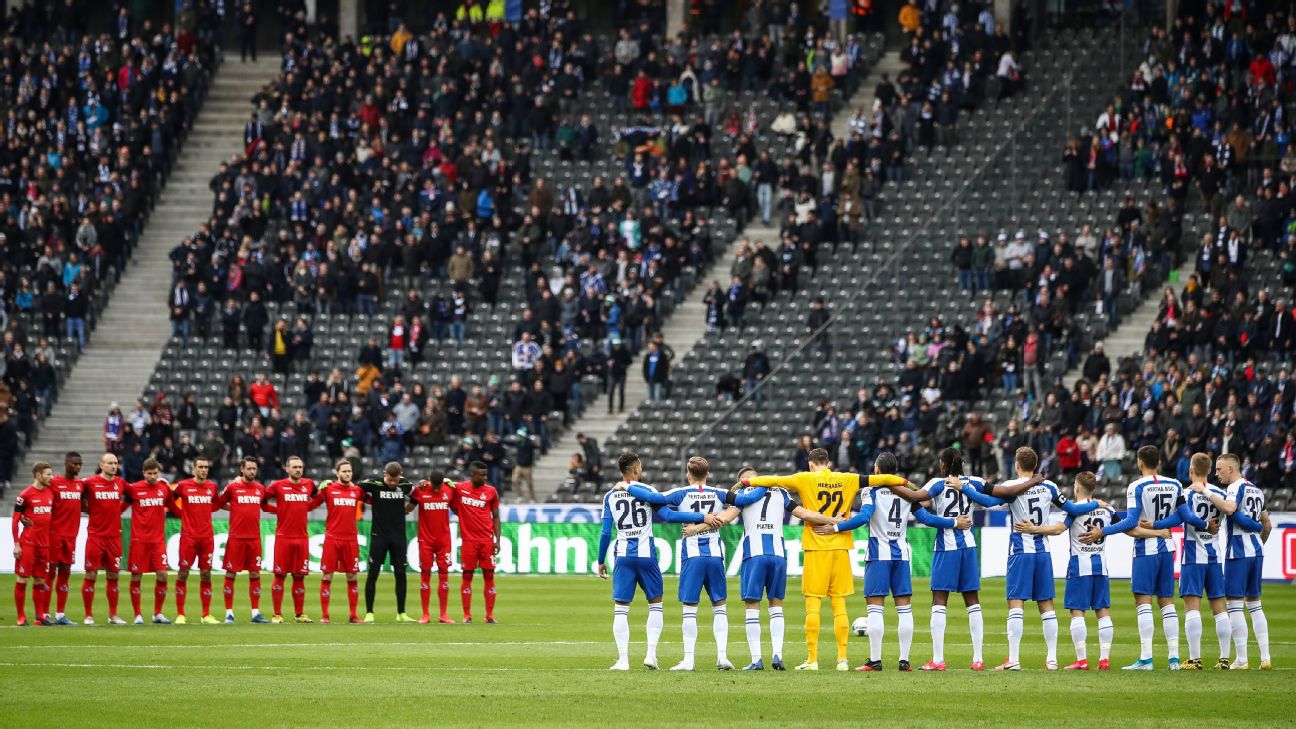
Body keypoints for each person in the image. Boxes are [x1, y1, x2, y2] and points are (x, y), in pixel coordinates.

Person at [739, 448, 910, 670]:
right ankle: (842, 659)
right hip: (840, 546)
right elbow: (884, 478)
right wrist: (906, 483)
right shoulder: (847, 478)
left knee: (813, 604)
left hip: (815, 545)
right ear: (828, 463)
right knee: (839, 604)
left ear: (811, 464)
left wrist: (746, 483)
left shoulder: (804, 478)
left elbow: (773, 480)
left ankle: (812, 659)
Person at [954, 447, 1100, 670]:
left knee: (1016, 603)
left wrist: (963, 487)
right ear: (1036, 464)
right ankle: (1052, 659)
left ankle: (1014, 659)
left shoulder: (1012, 486)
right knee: (1046, 604)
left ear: (1017, 464)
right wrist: (1096, 504)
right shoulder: (1049, 486)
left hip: (1020, 550)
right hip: (1043, 550)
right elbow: (1071, 508)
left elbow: (989, 501)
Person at [820, 452, 964, 672]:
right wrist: (954, 522)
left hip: (878, 555)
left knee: (875, 608)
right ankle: (904, 660)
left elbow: (864, 517)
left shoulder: (872, 490)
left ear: (877, 470)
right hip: (902, 555)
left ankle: (875, 660)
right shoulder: (908, 494)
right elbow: (927, 519)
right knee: (904, 608)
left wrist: (837, 527)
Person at [700, 467, 839, 670]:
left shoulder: (742, 494)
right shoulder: (780, 491)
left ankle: (757, 660)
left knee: (752, 606)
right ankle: (777, 656)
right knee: (776, 605)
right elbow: (803, 513)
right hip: (778, 556)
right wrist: (832, 519)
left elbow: (725, 519)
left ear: (743, 482)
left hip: (754, 555)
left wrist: (697, 527)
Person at [879, 448, 988, 671]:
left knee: (939, 601)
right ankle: (978, 659)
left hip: (946, 546)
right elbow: (993, 498)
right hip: (969, 545)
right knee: (972, 601)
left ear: (943, 465)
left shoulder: (938, 483)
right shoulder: (974, 481)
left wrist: (887, 481)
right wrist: (967, 489)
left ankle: (938, 660)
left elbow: (915, 497)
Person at [622, 457, 734, 670]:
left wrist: (627, 487)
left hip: (692, 554)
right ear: (707, 474)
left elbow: (652, 497)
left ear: (688, 475)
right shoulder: (720, 493)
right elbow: (741, 503)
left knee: (690, 608)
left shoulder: (681, 492)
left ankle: (689, 660)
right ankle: (722, 656)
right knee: (720, 606)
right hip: (715, 554)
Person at [603, 452, 713, 670]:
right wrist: (701, 517)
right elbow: (670, 516)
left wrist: (600, 560)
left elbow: (605, 532)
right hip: (647, 557)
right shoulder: (648, 492)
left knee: (621, 608)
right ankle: (651, 655)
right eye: (640, 467)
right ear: (636, 470)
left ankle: (623, 660)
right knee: (655, 605)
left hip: (623, 556)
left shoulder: (610, 496)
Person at [1083, 446, 1182, 670]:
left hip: (1146, 549)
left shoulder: (1137, 486)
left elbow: (1130, 522)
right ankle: (1174, 658)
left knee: (1143, 601)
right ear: (1159, 462)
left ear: (1139, 462)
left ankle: (1146, 658)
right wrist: (1160, 526)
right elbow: (1180, 516)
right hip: (1167, 547)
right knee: (1167, 601)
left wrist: (1102, 531)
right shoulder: (1175, 484)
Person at [1015, 471, 1122, 670]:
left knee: (1077, 612)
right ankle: (1104, 659)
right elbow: (1126, 526)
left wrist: (1034, 529)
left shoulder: (1075, 510)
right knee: (1103, 611)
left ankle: (1082, 660)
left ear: (1077, 487)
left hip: (1079, 565)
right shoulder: (1108, 509)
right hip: (1102, 567)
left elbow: (1058, 529)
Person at [1188, 453, 1271, 670]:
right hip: (1257, 551)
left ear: (1231, 469)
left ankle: (1241, 659)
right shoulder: (1257, 490)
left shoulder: (1235, 488)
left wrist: (1204, 490)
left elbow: (1229, 509)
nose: (1217, 474)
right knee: (1255, 605)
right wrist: (1259, 540)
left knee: (1234, 606)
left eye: (1220, 469)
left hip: (1238, 552)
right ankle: (1265, 657)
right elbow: (1267, 524)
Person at [1157, 453, 1230, 670]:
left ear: (1190, 470)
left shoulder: (1186, 494)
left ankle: (1195, 659)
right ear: (1209, 471)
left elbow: (1178, 518)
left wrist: (1155, 524)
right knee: (1219, 607)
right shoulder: (1219, 494)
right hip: (1215, 557)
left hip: (1192, 557)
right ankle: (1224, 658)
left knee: (1192, 607)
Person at [311, 461, 368, 623]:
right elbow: (313, 503)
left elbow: (372, 499)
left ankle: (353, 615)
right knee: (327, 575)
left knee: (352, 576)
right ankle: (325, 615)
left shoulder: (357, 491)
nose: (348, 473)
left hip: (350, 540)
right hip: (332, 539)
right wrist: (317, 490)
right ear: (337, 473)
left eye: (349, 471)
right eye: (344, 471)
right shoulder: (329, 489)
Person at [360, 462, 415, 623]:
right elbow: (357, 491)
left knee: (400, 574)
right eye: (390, 480)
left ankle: (401, 613)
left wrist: (407, 509)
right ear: (385, 474)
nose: (392, 483)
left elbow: (417, 496)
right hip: (379, 536)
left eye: (395, 480)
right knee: (373, 573)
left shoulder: (405, 485)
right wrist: (370, 501)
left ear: (400, 475)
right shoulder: (374, 484)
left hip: (398, 536)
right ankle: (369, 612)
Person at [263, 456, 316, 623]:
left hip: (302, 538)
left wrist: (308, 507)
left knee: (299, 576)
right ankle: (277, 614)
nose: (298, 470)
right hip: (283, 538)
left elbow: (318, 497)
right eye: (294, 467)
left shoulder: (309, 484)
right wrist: (276, 510)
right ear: (287, 469)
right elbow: (261, 500)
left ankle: (299, 614)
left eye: (300, 467)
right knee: (280, 575)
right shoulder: (277, 486)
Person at [169, 455, 221, 624]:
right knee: (183, 573)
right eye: (201, 467)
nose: (204, 470)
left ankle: (206, 614)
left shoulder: (212, 487)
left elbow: (216, 504)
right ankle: (181, 614)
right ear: (193, 469)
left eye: (206, 467)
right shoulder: (183, 486)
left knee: (206, 574)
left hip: (207, 538)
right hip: (189, 538)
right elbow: (170, 500)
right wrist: (181, 515)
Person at [217, 456, 269, 624]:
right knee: (231, 573)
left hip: (254, 538)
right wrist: (233, 507)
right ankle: (229, 614)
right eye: (249, 469)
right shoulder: (233, 487)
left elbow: (266, 506)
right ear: (242, 469)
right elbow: (218, 502)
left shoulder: (260, 489)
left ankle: (255, 613)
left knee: (255, 573)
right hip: (236, 538)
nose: (252, 471)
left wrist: (282, 511)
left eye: (254, 469)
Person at [123, 458, 172, 624]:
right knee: (136, 577)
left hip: (157, 541)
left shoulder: (164, 489)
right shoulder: (134, 489)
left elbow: (173, 504)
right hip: (139, 541)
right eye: (149, 473)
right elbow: (121, 506)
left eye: (155, 473)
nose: (152, 476)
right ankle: (138, 615)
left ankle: (157, 613)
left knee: (163, 575)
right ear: (143, 473)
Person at [82, 452, 129, 624]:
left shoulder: (120, 483)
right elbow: (74, 492)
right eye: (110, 463)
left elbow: (134, 494)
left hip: (114, 537)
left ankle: (113, 615)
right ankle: (88, 615)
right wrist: (84, 508)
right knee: (91, 575)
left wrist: (120, 510)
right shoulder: (89, 483)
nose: (113, 466)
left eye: (115, 463)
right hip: (96, 536)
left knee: (113, 576)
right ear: (101, 465)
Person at [453, 462, 501, 623]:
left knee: (489, 575)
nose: (485, 477)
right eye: (482, 474)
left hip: (487, 541)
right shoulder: (460, 488)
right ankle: (467, 615)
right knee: (467, 576)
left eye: (485, 474)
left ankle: (489, 615)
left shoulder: (491, 491)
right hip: (468, 541)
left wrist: (497, 540)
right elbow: (443, 485)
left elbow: (496, 516)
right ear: (473, 474)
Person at [408, 473, 456, 623]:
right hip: (426, 541)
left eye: (439, 486)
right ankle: (425, 614)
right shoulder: (421, 490)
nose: (436, 489)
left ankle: (443, 614)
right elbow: (408, 505)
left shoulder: (449, 489)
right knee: (425, 575)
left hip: (444, 541)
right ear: (429, 482)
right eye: (434, 487)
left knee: (444, 575)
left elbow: (457, 507)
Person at [12, 462, 55, 626]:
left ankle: (40, 616)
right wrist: (17, 544)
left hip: (44, 545)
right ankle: (21, 617)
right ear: (38, 475)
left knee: (40, 581)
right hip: (28, 544)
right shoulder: (25, 495)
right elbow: (15, 522)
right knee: (23, 579)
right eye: (48, 474)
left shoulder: (50, 493)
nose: (51, 477)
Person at [47, 452, 85, 625]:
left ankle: (60, 614)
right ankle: (44, 614)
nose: (77, 467)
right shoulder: (54, 483)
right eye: (74, 464)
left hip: (72, 537)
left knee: (65, 572)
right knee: (50, 573)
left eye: (79, 464)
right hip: (54, 535)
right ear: (66, 463)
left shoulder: (80, 485)